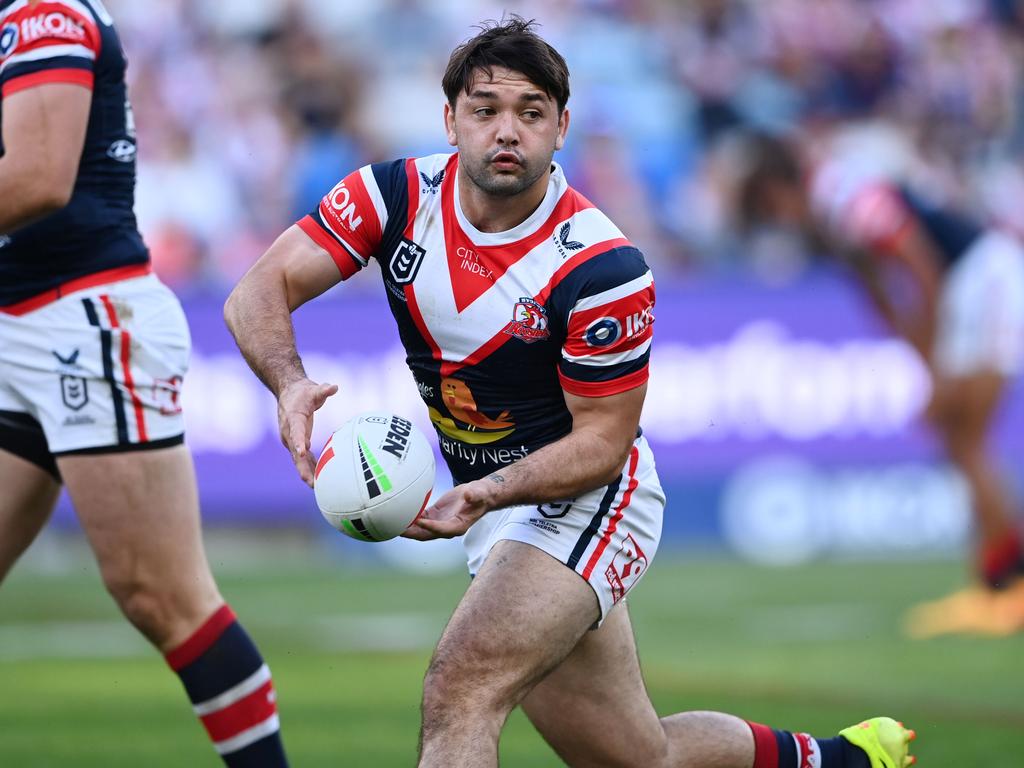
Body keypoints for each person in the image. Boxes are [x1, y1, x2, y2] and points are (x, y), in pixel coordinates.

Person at [226, 17, 915, 768]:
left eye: (531, 112)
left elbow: (602, 443)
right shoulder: (394, 195)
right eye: (485, 109)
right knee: (636, 757)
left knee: (461, 689)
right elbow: (258, 289)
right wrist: (288, 383)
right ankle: (846, 760)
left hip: (592, 498)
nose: (506, 131)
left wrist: (485, 493)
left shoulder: (601, 266)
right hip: (499, 505)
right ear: (450, 118)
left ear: (562, 128)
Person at [0, 2, 289, 764]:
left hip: (81, 323)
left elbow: (36, 178)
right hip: (22, 323)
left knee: (163, 597)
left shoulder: (43, 12)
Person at [736, 128, 1024, 637]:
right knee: (958, 442)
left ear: (781, 190)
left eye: (772, 209)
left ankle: (1008, 585)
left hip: (983, 277)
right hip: (966, 289)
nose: (779, 223)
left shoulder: (847, 197)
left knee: (966, 437)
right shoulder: (830, 223)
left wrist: (935, 364)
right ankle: (995, 580)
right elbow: (880, 294)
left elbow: (922, 267)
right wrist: (925, 362)